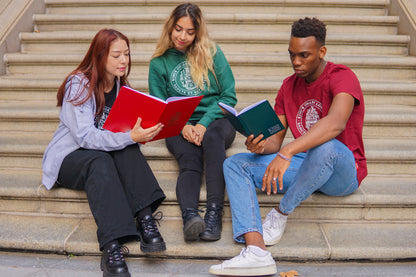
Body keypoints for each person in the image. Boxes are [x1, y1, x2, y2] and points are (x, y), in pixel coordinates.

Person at [210, 17, 367, 276]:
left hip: (342, 170)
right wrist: (259, 145)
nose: (296, 62)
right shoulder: (288, 86)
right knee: (234, 163)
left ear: (322, 52)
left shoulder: (342, 77)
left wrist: (287, 152)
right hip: (304, 165)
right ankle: (256, 250)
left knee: (324, 147)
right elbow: (276, 140)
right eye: (292, 54)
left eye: (304, 55)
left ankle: (281, 213)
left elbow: (336, 123)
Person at [42, 29, 167, 277]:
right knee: (102, 157)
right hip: (70, 157)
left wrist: (139, 134)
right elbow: (85, 137)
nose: (124, 61)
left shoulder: (120, 86)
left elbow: (117, 132)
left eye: (127, 55)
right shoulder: (78, 83)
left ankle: (145, 220)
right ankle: (111, 246)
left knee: (125, 146)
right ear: (100, 56)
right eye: (117, 55)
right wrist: (128, 136)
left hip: (99, 155)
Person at [148, 3, 237, 242]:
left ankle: (214, 212)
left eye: (190, 31)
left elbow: (229, 96)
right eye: (179, 29)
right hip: (177, 124)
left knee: (213, 138)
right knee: (189, 160)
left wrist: (203, 124)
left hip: (217, 119)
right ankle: (190, 217)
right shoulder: (159, 63)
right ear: (170, 27)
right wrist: (184, 125)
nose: (183, 36)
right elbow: (160, 104)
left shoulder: (212, 53)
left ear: (198, 32)